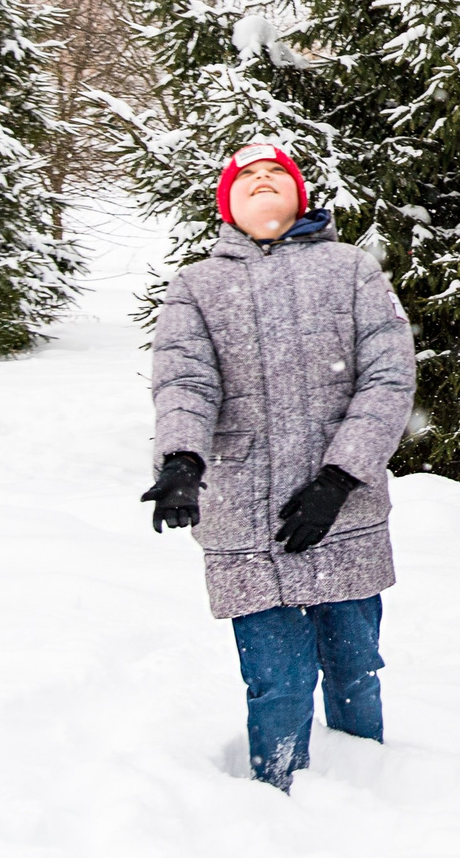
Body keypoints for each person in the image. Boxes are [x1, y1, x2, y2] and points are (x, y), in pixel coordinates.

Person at [143, 142, 417, 791]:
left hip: (344, 517)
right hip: (246, 525)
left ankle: (368, 801)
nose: (263, 182)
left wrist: (340, 476)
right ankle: (278, 805)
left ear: (298, 194)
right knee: (278, 683)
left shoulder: (351, 269)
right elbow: (183, 381)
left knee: (354, 669)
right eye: (248, 179)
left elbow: (388, 375)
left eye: (276, 175)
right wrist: (182, 459)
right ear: (228, 205)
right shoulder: (198, 286)